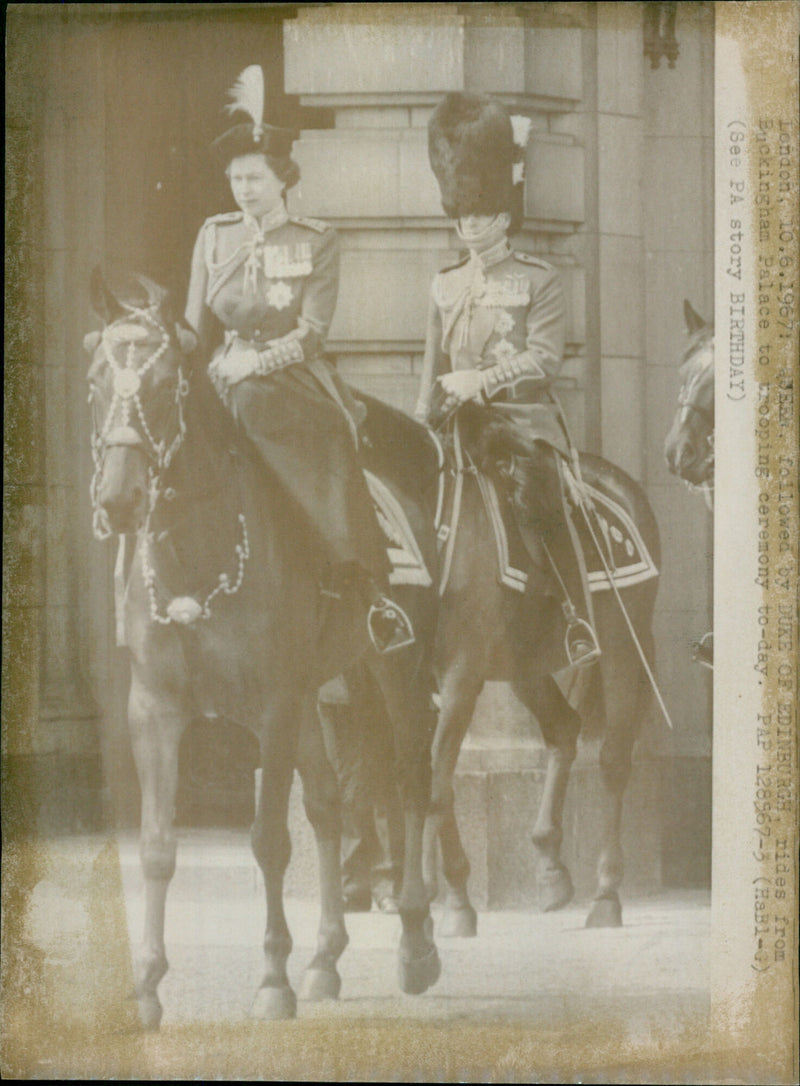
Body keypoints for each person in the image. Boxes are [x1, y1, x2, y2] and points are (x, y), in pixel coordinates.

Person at [184, 67, 413, 653]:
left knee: (309, 435)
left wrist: (253, 365)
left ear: (282, 178)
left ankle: (359, 578)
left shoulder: (316, 240)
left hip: (291, 379)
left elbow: (312, 333)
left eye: (255, 177)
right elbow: (193, 327)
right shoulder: (214, 236)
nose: (244, 189)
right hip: (222, 373)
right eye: (235, 178)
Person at [415, 91, 600, 669]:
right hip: (454, 424)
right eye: (462, 214)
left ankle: (570, 617)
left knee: (541, 497)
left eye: (481, 214)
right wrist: (422, 420)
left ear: (503, 215)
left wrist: (485, 382)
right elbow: (432, 370)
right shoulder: (444, 283)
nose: (470, 224)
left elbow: (545, 359)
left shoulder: (538, 280)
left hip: (522, 423)